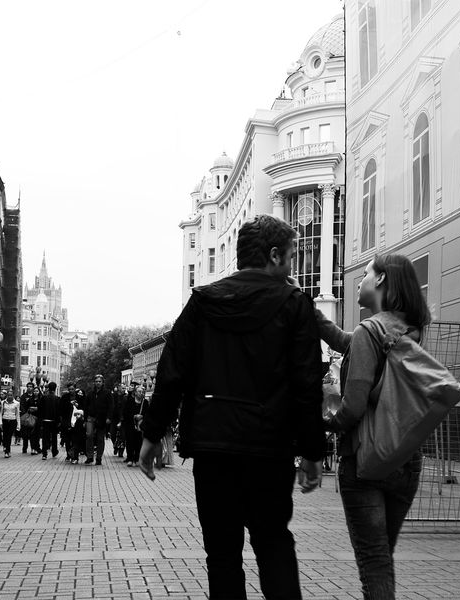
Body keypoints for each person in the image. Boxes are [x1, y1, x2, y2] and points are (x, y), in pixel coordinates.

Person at [138, 214, 325, 600]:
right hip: (269, 449)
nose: (292, 268)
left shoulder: (203, 303)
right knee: (274, 546)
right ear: (274, 256)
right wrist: (312, 452)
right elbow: (306, 385)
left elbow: (171, 372)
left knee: (222, 555)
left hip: (214, 448)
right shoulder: (294, 306)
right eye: (290, 257)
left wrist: (152, 434)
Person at [316, 254, 431, 599]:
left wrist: (325, 425)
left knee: (374, 562)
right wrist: (314, 316)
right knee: (382, 558)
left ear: (381, 280)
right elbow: (344, 342)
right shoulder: (409, 329)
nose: (361, 279)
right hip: (405, 459)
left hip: (366, 459)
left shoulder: (370, 331)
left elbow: (352, 407)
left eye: (366, 273)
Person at [84, 374, 113, 465]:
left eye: (99, 381)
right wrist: (85, 419)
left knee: (100, 438)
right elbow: (86, 406)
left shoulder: (107, 393)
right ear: (94, 382)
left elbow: (111, 406)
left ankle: (99, 457)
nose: (98, 383)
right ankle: (89, 456)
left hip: (102, 418)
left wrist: (109, 417)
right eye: (96, 381)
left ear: (102, 382)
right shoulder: (90, 393)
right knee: (89, 436)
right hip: (90, 418)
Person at [122, 385, 144, 466]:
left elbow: (148, 413)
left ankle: (137, 458)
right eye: (139, 391)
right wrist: (134, 416)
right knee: (130, 442)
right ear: (135, 393)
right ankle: (130, 458)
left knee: (139, 442)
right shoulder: (130, 401)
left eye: (142, 392)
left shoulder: (145, 402)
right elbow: (125, 413)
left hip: (140, 425)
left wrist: (142, 416)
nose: (140, 393)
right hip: (130, 425)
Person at [38, 381, 61, 460]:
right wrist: (58, 421)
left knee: (45, 437)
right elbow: (59, 411)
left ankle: (44, 453)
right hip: (54, 421)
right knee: (54, 437)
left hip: (45, 420)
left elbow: (40, 409)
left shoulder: (44, 398)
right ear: (55, 388)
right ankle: (54, 451)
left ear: (48, 388)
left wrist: (41, 419)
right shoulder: (57, 399)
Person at [19, 382, 40, 454]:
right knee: (25, 434)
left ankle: (34, 448)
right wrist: (25, 414)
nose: (29, 388)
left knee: (33, 434)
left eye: (31, 386)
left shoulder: (39, 397)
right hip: (26, 417)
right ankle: (24, 448)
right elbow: (22, 406)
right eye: (28, 386)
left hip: (35, 417)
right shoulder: (23, 396)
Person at [0, 389, 19, 458]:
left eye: (11, 395)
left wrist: (18, 425)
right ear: (6, 396)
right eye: (8, 395)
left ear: (13, 395)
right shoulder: (3, 402)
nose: (9, 396)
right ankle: (6, 448)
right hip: (5, 420)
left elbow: (17, 415)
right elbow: (1, 413)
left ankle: (7, 451)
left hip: (12, 420)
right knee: (5, 436)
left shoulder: (16, 403)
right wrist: (0, 422)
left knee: (9, 436)